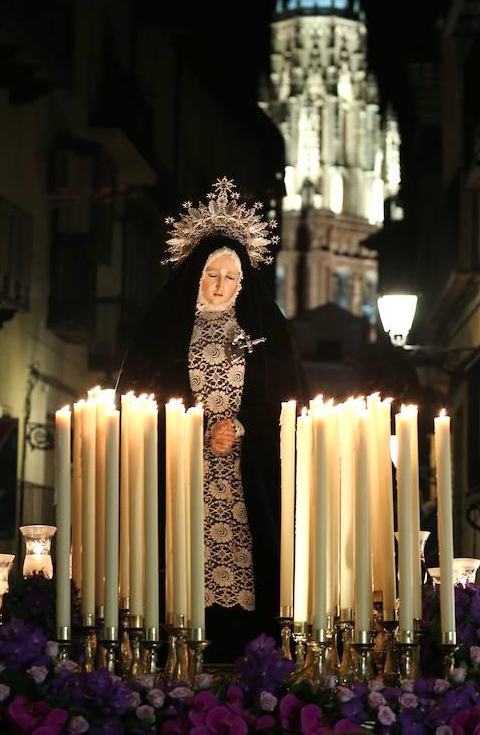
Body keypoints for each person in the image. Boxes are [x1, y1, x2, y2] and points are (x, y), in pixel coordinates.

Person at [121, 178, 303, 660]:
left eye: (231, 277)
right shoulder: (165, 330)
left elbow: (285, 398)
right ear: (194, 276)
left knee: (251, 567)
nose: (221, 286)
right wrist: (196, 431)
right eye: (212, 275)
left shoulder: (264, 330)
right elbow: (143, 395)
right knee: (176, 563)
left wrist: (239, 426)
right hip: (180, 468)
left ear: (244, 281)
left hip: (248, 475)